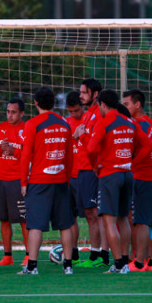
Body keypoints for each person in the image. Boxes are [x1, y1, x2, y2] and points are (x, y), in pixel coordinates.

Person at [86, 90, 152, 274]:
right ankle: (124, 261)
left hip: (110, 175)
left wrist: (95, 166)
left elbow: (91, 149)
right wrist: (132, 163)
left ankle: (119, 264)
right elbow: (148, 146)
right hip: (127, 174)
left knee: (109, 221)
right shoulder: (130, 122)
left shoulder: (104, 121)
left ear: (103, 105)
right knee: (123, 219)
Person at [18, 87, 74, 275]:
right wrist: (67, 179)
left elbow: (25, 156)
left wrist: (23, 183)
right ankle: (68, 265)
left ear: (35, 103)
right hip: (60, 180)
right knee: (65, 224)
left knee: (35, 224)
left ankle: (32, 266)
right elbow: (69, 156)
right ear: (53, 103)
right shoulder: (64, 123)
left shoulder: (32, 124)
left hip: (39, 180)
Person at [122, 89, 152, 271]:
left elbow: (145, 149)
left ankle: (139, 262)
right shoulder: (147, 122)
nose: (125, 107)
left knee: (141, 222)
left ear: (137, 105)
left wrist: (131, 164)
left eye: (127, 104)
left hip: (144, 177)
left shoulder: (140, 124)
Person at [0, 98, 27, 266]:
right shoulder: (0, 128)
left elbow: (30, 153)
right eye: (8, 111)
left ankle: (28, 255)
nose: (10, 115)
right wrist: (0, 148)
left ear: (21, 113)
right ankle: (7, 256)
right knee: (3, 218)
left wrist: (14, 150)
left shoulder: (27, 129)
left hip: (18, 179)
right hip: (1, 179)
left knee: (24, 219)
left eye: (14, 112)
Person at [74, 78, 109, 268]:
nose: (81, 96)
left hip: (92, 169)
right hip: (83, 169)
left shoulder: (99, 115)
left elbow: (94, 145)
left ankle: (100, 255)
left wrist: (82, 135)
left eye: (84, 92)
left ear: (95, 94)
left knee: (96, 213)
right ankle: (98, 254)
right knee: (89, 213)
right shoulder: (88, 114)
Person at [65, 91, 85, 265]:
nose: (74, 114)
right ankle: (73, 253)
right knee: (70, 217)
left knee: (96, 216)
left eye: (77, 110)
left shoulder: (90, 121)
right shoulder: (65, 124)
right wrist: (74, 137)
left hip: (86, 175)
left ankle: (100, 254)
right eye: (71, 111)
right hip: (69, 177)